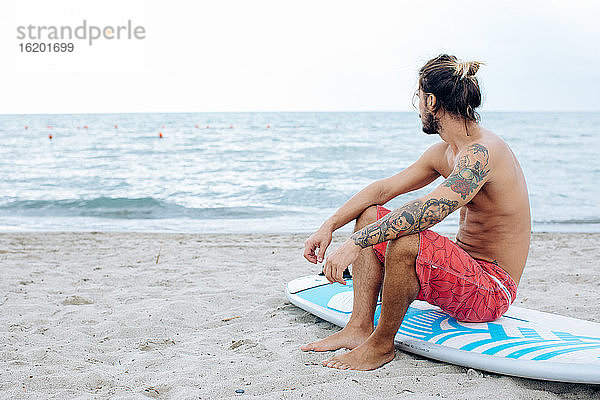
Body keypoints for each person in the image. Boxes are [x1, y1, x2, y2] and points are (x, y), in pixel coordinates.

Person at [301, 54, 531, 371]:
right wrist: (328, 227)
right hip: (462, 272)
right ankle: (359, 327)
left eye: (418, 98)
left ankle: (381, 347)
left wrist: (356, 244)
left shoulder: (482, 153)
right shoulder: (446, 151)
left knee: (407, 239)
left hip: (491, 289)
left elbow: (429, 211)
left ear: (432, 101)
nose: (417, 106)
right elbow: (382, 190)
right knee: (370, 215)